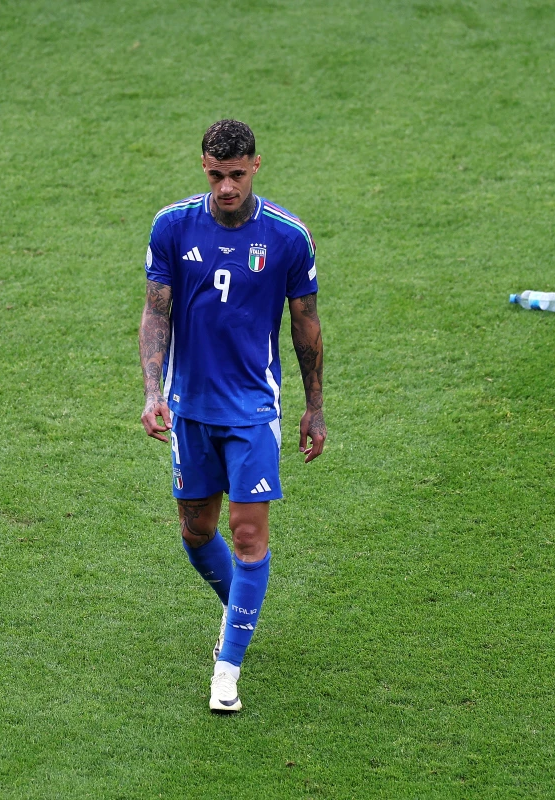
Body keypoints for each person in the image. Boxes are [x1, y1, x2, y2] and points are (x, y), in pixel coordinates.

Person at [138, 119, 326, 713]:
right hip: (190, 407)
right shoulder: (171, 226)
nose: (226, 187)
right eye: (217, 175)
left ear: (256, 166)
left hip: (252, 409)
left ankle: (227, 668)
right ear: (203, 167)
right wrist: (152, 391)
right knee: (197, 533)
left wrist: (314, 407)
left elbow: (305, 326)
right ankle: (242, 610)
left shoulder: (289, 237)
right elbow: (155, 314)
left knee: (247, 534)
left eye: (237, 175)